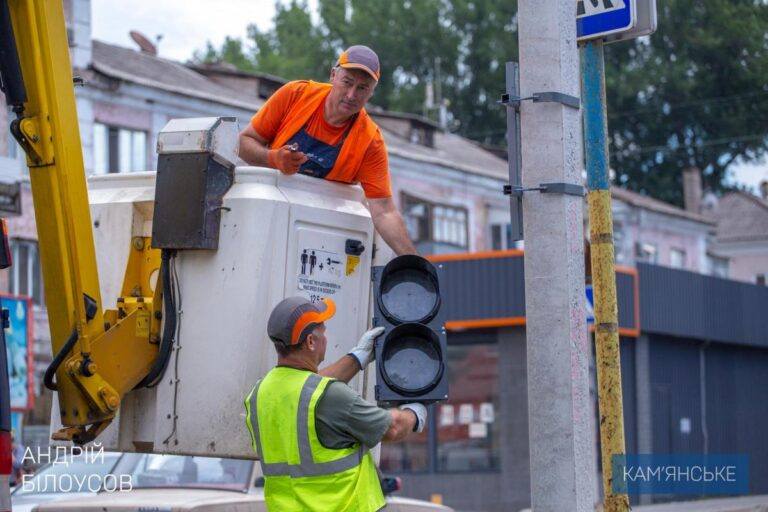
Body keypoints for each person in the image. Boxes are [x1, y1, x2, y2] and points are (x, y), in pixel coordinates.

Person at [244, 296, 426, 511]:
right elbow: (392, 428)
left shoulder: (259, 394)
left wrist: (357, 358)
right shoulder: (330, 396)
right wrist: (415, 412)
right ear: (311, 342)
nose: (326, 337)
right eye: (323, 331)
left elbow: (308, 387)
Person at [238, 45, 417, 256]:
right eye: (347, 82)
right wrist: (272, 158)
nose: (351, 95)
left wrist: (417, 266)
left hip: (322, 238)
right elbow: (243, 143)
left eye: (362, 88)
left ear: (371, 92)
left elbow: (384, 212)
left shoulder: (370, 142)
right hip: (268, 223)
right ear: (333, 75)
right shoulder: (295, 95)